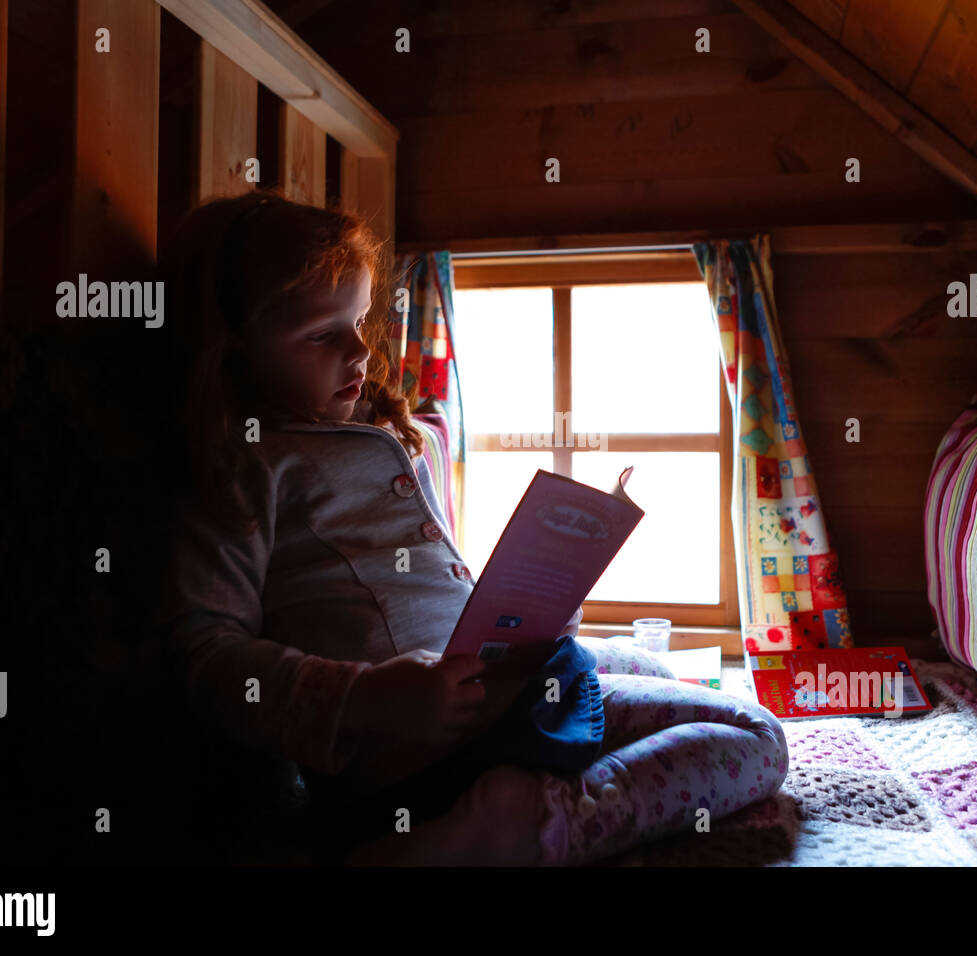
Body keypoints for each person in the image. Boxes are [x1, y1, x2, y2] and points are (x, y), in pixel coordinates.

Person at [155, 188, 789, 865]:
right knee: (755, 736)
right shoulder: (241, 467)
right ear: (235, 351)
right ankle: (532, 825)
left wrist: (535, 606)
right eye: (320, 335)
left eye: (359, 322)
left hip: (494, 688)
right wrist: (366, 697)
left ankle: (531, 781)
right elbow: (205, 655)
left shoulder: (364, 436)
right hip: (426, 754)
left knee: (649, 665)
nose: (359, 353)